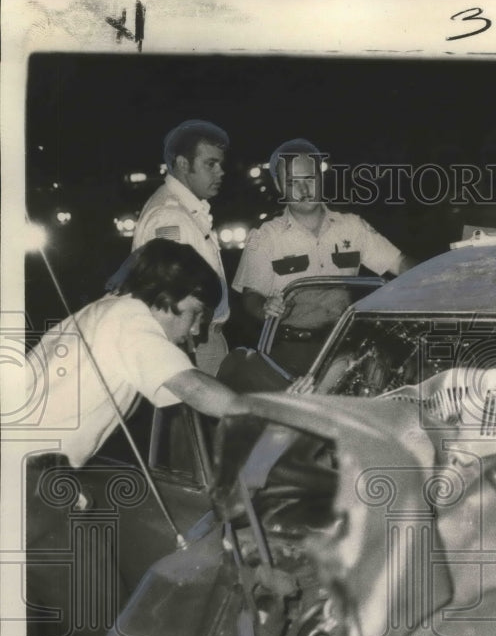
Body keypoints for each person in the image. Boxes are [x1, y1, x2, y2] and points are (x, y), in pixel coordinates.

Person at [28, 239, 249, 469]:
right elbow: (194, 388)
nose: (195, 330)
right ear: (168, 296)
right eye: (195, 314)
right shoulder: (130, 321)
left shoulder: (109, 309)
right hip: (31, 464)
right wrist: (265, 416)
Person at [232, 138, 414, 328]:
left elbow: (400, 264)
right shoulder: (265, 235)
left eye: (310, 179)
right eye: (293, 182)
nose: (303, 189)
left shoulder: (352, 226)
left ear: (321, 177)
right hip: (289, 345)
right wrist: (266, 307)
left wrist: (439, 278)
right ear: (279, 186)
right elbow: (251, 296)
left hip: (343, 339)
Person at [126, 119, 232, 375]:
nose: (221, 172)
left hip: (199, 338)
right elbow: (171, 301)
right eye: (210, 164)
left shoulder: (188, 209)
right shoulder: (171, 217)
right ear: (184, 164)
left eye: (221, 164)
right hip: (190, 344)